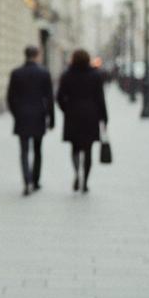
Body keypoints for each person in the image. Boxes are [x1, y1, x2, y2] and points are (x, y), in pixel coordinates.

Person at [56, 48, 108, 193]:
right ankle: (85, 181)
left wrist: (66, 109)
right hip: (91, 117)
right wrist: (104, 118)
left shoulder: (67, 75)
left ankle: (77, 172)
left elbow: (59, 97)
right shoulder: (95, 75)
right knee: (88, 150)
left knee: (75, 148)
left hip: (73, 116)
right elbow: (100, 99)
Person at [7, 44, 55, 196]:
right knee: (37, 150)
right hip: (38, 116)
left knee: (24, 151)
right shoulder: (44, 73)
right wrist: (51, 119)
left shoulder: (16, 73)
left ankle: (27, 181)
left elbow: (10, 97)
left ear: (25, 55)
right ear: (37, 56)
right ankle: (35, 181)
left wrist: (16, 113)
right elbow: (49, 98)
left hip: (22, 116)